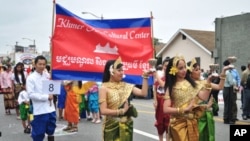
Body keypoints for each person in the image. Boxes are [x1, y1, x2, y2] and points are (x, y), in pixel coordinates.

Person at [99, 57, 151, 141]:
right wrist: (121, 111)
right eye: (119, 70)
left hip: (126, 126)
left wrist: (145, 77)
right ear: (111, 71)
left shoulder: (126, 85)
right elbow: (103, 111)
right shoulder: (104, 88)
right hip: (111, 126)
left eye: (122, 70)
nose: (122, 73)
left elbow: (143, 93)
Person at [163, 55, 212, 141]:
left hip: (192, 122)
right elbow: (165, 109)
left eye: (185, 67)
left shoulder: (192, 83)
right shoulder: (171, 87)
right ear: (173, 70)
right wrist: (183, 109)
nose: (184, 70)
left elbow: (204, 97)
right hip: (179, 125)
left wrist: (208, 82)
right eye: (180, 68)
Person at [187, 58, 230, 141]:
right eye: (196, 70)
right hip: (195, 116)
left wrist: (223, 72)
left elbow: (220, 87)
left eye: (199, 69)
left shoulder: (203, 82)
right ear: (190, 73)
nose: (199, 71)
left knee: (208, 137)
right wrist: (206, 105)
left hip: (206, 114)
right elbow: (201, 98)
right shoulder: (188, 85)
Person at [26, 55, 56, 141]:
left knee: (51, 131)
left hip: (50, 109)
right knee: (38, 134)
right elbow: (31, 94)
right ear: (35, 65)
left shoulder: (48, 75)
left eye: (44, 64)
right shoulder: (31, 78)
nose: (42, 66)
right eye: (40, 64)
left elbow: (53, 86)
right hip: (39, 111)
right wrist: (46, 97)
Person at [153, 57, 170, 141]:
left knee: (167, 124)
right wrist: (155, 100)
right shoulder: (160, 77)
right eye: (165, 66)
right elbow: (155, 88)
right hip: (160, 103)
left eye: (168, 66)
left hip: (168, 103)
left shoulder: (172, 78)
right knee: (160, 124)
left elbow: (164, 85)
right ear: (163, 66)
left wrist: (156, 76)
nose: (166, 67)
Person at [222, 59, 238, 124]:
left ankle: (225, 118)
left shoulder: (223, 72)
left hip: (224, 88)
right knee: (230, 104)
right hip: (229, 89)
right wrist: (235, 82)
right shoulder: (228, 72)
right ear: (228, 65)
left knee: (226, 104)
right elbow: (231, 82)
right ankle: (229, 119)